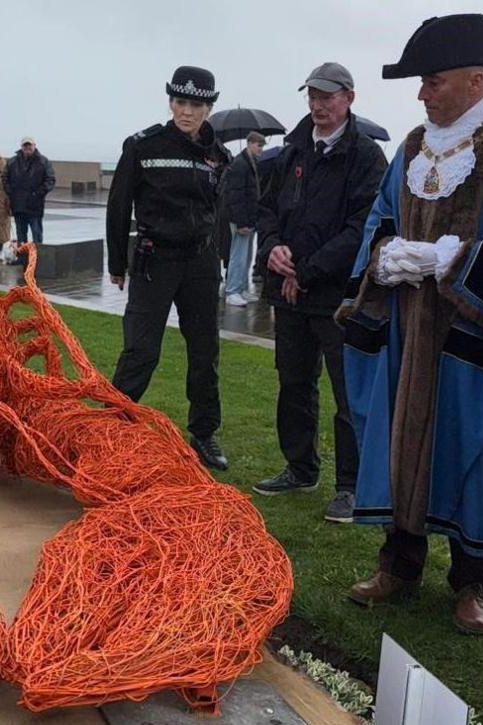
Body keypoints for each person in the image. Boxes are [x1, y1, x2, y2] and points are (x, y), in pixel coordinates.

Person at [340, 15, 483, 634]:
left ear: (476, 79)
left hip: (479, 333)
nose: (422, 93)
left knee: (479, 452)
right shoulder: (411, 147)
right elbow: (381, 217)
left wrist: (455, 261)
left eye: (433, 81)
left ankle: (474, 580)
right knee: (401, 440)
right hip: (408, 329)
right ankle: (398, 563)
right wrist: (386, 254)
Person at [253, 61, 387, 524]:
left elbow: (362, 228)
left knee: (348, 393)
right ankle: (300, 468)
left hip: (338, 298)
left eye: (327, 97)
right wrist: (272, 247)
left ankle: (350, 487)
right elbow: (267, 210)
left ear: (349, 98)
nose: (318, 105)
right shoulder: (294, 149)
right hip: (291, 293)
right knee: (293, 382)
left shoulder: (366, 156)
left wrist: (306, 271)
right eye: (312, 96)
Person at [107, 66, 234, 470]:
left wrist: (224, 261)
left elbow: (220, 215)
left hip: (200, 264)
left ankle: (204, 433)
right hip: (154, 261)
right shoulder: (142, 146)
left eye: (195, 104)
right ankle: (110, 427)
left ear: (209, 108)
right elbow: (118, 205)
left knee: (205, 352)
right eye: (180, 102)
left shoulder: (219, 156)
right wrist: (116, 263)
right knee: (141, 350)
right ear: (170, 102)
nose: (186, 112)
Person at [222, 131, 266, 306]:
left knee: (246, 256)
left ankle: (241, 289)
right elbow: (236, 195)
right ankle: (233, 290)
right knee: (238, 255)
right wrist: (241, 222)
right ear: (249, 143)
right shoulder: (240, 164)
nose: (261, 149)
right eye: (259, 145)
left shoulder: (251, 163)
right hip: (241, 218)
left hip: (250, 217)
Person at [5, 135, 56, 251]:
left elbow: (50, 180)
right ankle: (22, 257)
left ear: (34, 146)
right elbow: (5, 178)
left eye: (30, 145)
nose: (27, 148)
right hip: (18, 205)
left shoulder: (43, 161)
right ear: (21, 147)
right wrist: (11, 193)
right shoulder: (12, 162)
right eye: (25, 146)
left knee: (37, 235)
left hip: (35, 206)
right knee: (21, 235)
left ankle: (38, 256)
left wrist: (38, 194)